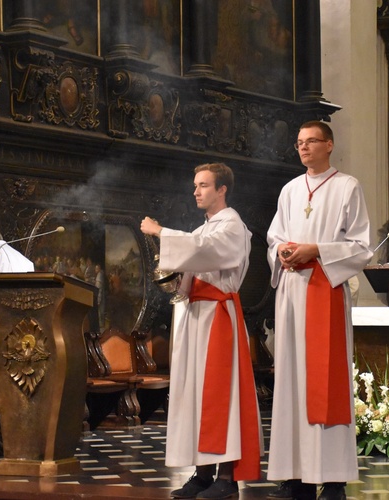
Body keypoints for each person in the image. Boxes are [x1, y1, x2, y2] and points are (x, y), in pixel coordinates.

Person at [140, 163, 263, 500]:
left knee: (219, 396)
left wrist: (161, 232)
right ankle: (202, 473)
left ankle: (227, 477)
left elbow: (206, 254)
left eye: (204, 185)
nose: (196, 191)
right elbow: (192, 261)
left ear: (222, 189)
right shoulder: (204, 227)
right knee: (194, 395)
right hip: (195, 316)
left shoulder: (232, 225)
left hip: (217, 317)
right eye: (195, 185)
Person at [266, 121, 373, 500]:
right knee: (291, 381)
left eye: (311, 141)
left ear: (329, 144)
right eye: (299, 143)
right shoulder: (290, 189)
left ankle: (332, 478)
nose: (304, 148)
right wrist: (281, 250)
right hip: (292, 293)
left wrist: (318, 250)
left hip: (325, 289)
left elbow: (361, 246)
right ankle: (293, 473)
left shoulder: (347, 186)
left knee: (324, 383)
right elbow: (275, 234)